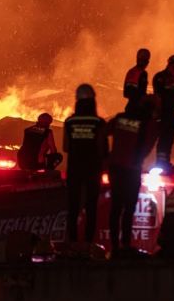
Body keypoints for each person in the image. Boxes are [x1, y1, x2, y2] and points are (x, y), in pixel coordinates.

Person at [106, 95, 159, 256]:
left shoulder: (120, 118)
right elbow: (147, 148)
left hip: (115, 167)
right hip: (132, 169)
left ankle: (115, 246)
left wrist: (106, 156)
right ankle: (125, 244)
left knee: (116, 207)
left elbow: (103, 132)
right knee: (129, 208)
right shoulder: (150, 124)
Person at [63, 84, 108, 243]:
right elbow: (102, 148)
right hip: (92, 169)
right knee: (91, 207)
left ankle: (72, 242)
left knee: (73, 207)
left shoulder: (69, 121)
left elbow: (66, 147)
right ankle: (88, 243)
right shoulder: (98, 122)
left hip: (74, 168)